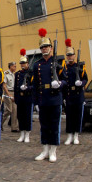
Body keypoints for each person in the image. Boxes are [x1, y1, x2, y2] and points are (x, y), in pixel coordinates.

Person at [32, 28, 66, 163]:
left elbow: (66, 80)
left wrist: (60, 83)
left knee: (54, 125)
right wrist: (35, 102)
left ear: (51, 48)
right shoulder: (37, 64)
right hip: (43, 98)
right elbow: (35, 85)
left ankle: (53, 151)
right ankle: (45, 150)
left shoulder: (59, 62)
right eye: (42, 47)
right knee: (44, 126)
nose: (44, 49)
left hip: (54, 97)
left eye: (46, 46)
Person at [63, 39, 88, 145]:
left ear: (74, 55)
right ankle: (69, 135)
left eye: (71, 55)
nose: (69, 57)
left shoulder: (81, 66)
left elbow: (85, 79)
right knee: (69, 116)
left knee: (77, 116)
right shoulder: (64, 68)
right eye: (68, 55)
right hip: (68, 95)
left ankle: (76, 135)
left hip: (78, 95)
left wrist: (81, 84)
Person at [14, 49, 34, 143]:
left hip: (28, 97)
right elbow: (15, 87)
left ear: (27, 63)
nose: (22, 65)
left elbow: (34, 85)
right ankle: (22, 134)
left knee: (27, 117)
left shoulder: (31, 73)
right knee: (20, 116)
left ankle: (27, 134)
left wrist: (27, 88)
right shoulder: (17, 74)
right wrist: (16, 98)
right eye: (21, 63)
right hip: (20, 98)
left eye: (24, 63)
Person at [2, 62, 19, 132]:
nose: (15, 68)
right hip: (8, 92)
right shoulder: (6, 74)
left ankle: (14, 127)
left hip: (14, 92)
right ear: (11, 66)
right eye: (14, 66)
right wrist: (8, 94)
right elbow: (4, 85)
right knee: (9, 110)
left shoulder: (15, 75)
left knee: (15, 110)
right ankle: (0, 122)